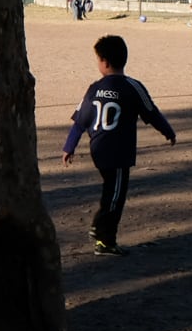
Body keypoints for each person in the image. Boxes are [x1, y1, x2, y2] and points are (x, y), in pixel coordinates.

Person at [61, 34, 177, 256]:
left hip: (98, 149)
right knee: (116, 195)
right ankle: (103, 234)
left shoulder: (94, 88)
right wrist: (168, 132)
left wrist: (69, 147)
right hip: (118, 151)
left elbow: (80, 122)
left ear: (104, 62)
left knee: (110, 189)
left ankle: (103, 237)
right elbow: (152, 113)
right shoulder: (133, 87)